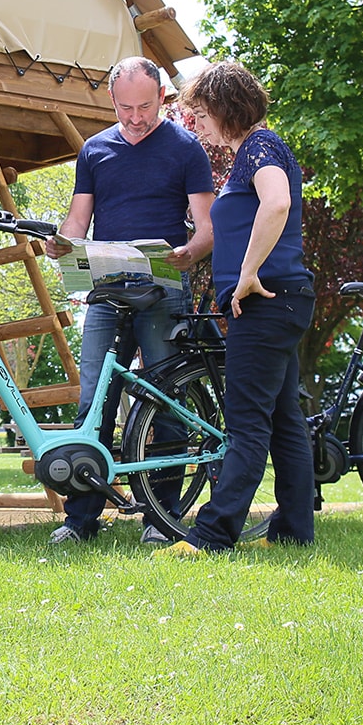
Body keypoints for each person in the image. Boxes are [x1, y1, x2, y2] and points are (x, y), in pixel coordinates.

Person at [42, 56, 215, 543]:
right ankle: (80, 521)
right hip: (106, 291)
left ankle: (161, 517)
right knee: (92, 401)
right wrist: (62, 243)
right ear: (111, 101)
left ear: (162, 96)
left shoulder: (186, 149)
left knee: (167, 403)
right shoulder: (94, 150)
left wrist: (190, 253)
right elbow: (78, 222)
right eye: (124, 108)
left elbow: (207, 228)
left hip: (163, 289)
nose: (135, 117)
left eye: (144, 106)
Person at [155, 60, 316, 556]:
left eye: (200, 114)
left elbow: (277, 204)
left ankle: (210, 536)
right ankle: (293, 531)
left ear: (227, 108)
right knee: (285, 420)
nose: (197, 125)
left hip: (266, 301)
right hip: (282, 299)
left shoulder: (259, 147)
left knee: (246, 424)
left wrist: (247, 273)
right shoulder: (257, 149)